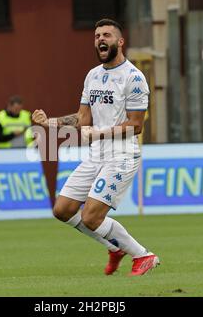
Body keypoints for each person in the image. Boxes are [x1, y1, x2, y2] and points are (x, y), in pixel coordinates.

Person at [32, 19, 159, 276]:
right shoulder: (93, 75)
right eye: (97, 35)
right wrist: (50, 122)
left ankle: (143, 255)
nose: (101, 39)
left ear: (120, 42)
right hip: (96, 154)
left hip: (121, 156)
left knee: (91, 216)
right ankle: (114, 247)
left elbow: (136, 125)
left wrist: (99, 132)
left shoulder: (134, 78)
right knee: (63, 210)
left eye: (107, 35)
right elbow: (83, 119)